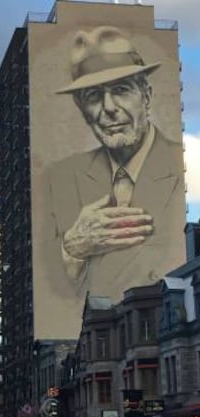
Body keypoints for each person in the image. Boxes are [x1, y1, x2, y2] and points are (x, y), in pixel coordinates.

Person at [40, 24, 185, 335]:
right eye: (94, 96)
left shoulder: (174, 164)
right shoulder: (60, 178)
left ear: (147, 95)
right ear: (82, 109)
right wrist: (72, 250)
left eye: (121, 90)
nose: (108, 109)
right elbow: (52, 286)